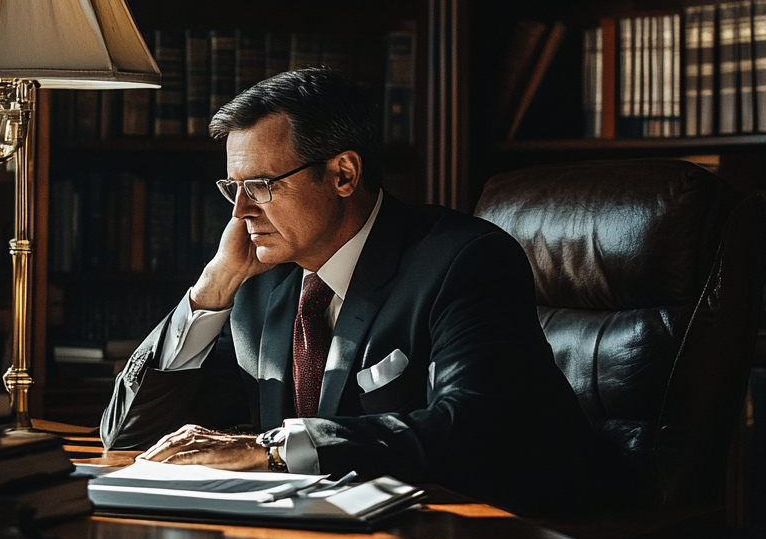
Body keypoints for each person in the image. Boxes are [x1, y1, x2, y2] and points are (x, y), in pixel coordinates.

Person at [101, 68, 607, 515]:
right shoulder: (259, 281)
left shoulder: (464, 261)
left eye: (260, 185)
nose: (241, 212)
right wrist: (211, 288)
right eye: (232, 188)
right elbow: (128, 437)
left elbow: (473, 429)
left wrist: (274, 449)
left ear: (344, 173)